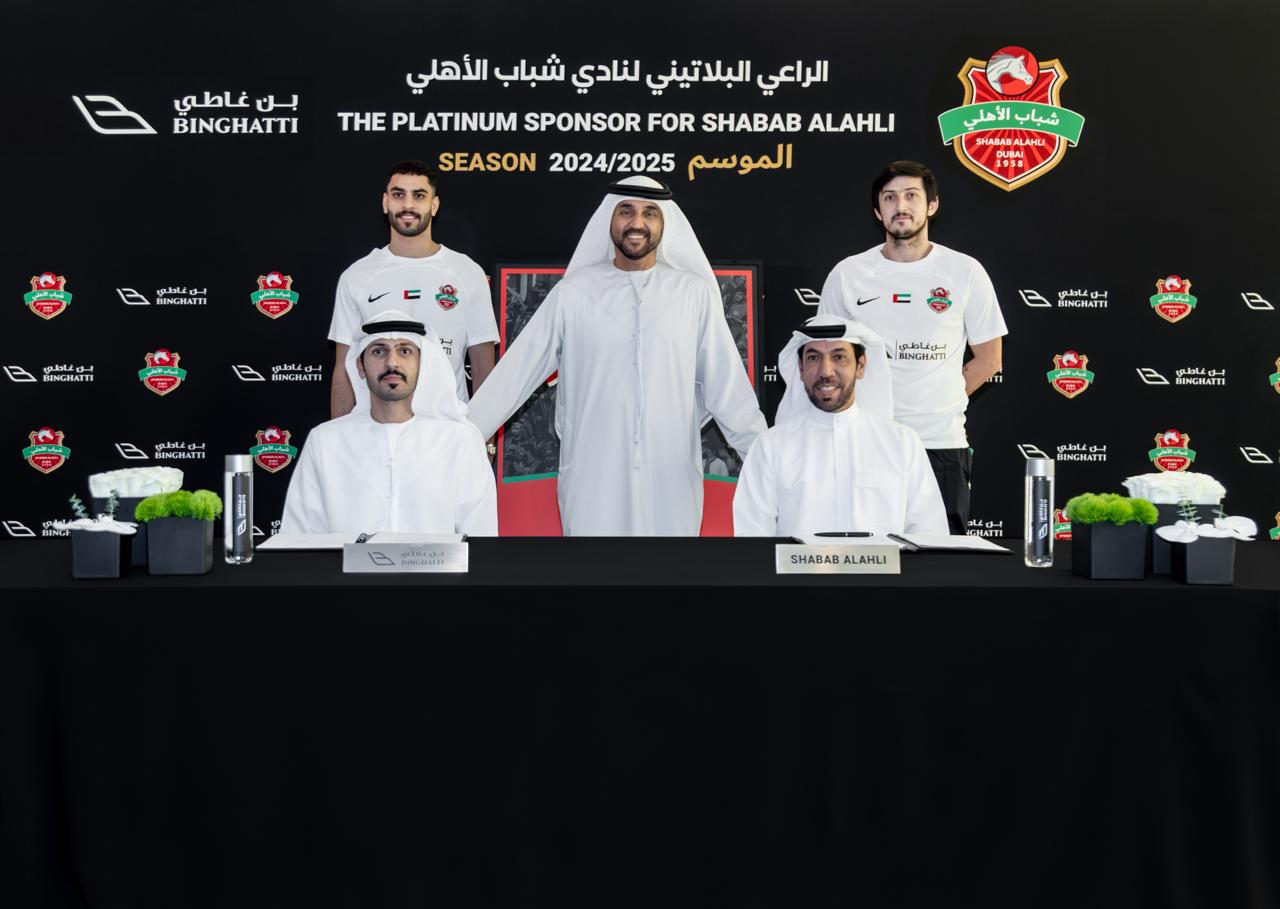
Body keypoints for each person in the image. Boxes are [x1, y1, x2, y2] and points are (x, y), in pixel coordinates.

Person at [467, 175, 766, 536]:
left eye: (649, 213)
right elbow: (516, 373)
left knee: (673, 567)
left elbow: (728, 390)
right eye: (626, 211)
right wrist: (458, 440)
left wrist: (769, 462)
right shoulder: (575, 292)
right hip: (591, 475)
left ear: (665, 223)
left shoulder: (692, 294)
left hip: (671, 476)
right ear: (609, 219)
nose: (637, 222)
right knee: (593, 568)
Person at [818, 160, 1007, 533]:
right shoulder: (847, 274)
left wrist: (940, 400)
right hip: (867, 443)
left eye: (911, 196)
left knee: (943, 560)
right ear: (878, 211)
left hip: (940, 442)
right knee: (866, 554)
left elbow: (989, 359)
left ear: (931, 205)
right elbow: (826, 359)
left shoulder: (965, 271)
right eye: (889, 198)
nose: (900, 206)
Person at [283, 311, 497, 536]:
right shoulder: (326, 441)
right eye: (379, 351)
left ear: (423, 364)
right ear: (360, 367)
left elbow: (480, 540)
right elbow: (300, 539)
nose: (392, 362)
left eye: (404, 351)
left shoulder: (460, 440)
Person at [734, 316, 948, 537]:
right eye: (814, 357)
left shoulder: (902, 443)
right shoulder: (770, 446)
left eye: (839, 357)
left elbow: (929, 532)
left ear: (861, 366)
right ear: (800, 367)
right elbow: (752, 537)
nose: (826, 371)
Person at [329, 160, 499, 423]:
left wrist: (483, 438)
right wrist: (338, 435)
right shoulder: (357, 276)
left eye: (419, 196)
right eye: (398, 195)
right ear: (385, 202)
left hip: (447, 430)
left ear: (434, 205)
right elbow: (344, 370)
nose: (408, 205)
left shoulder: (467, 272)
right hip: (374, 431)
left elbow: (482, 367)